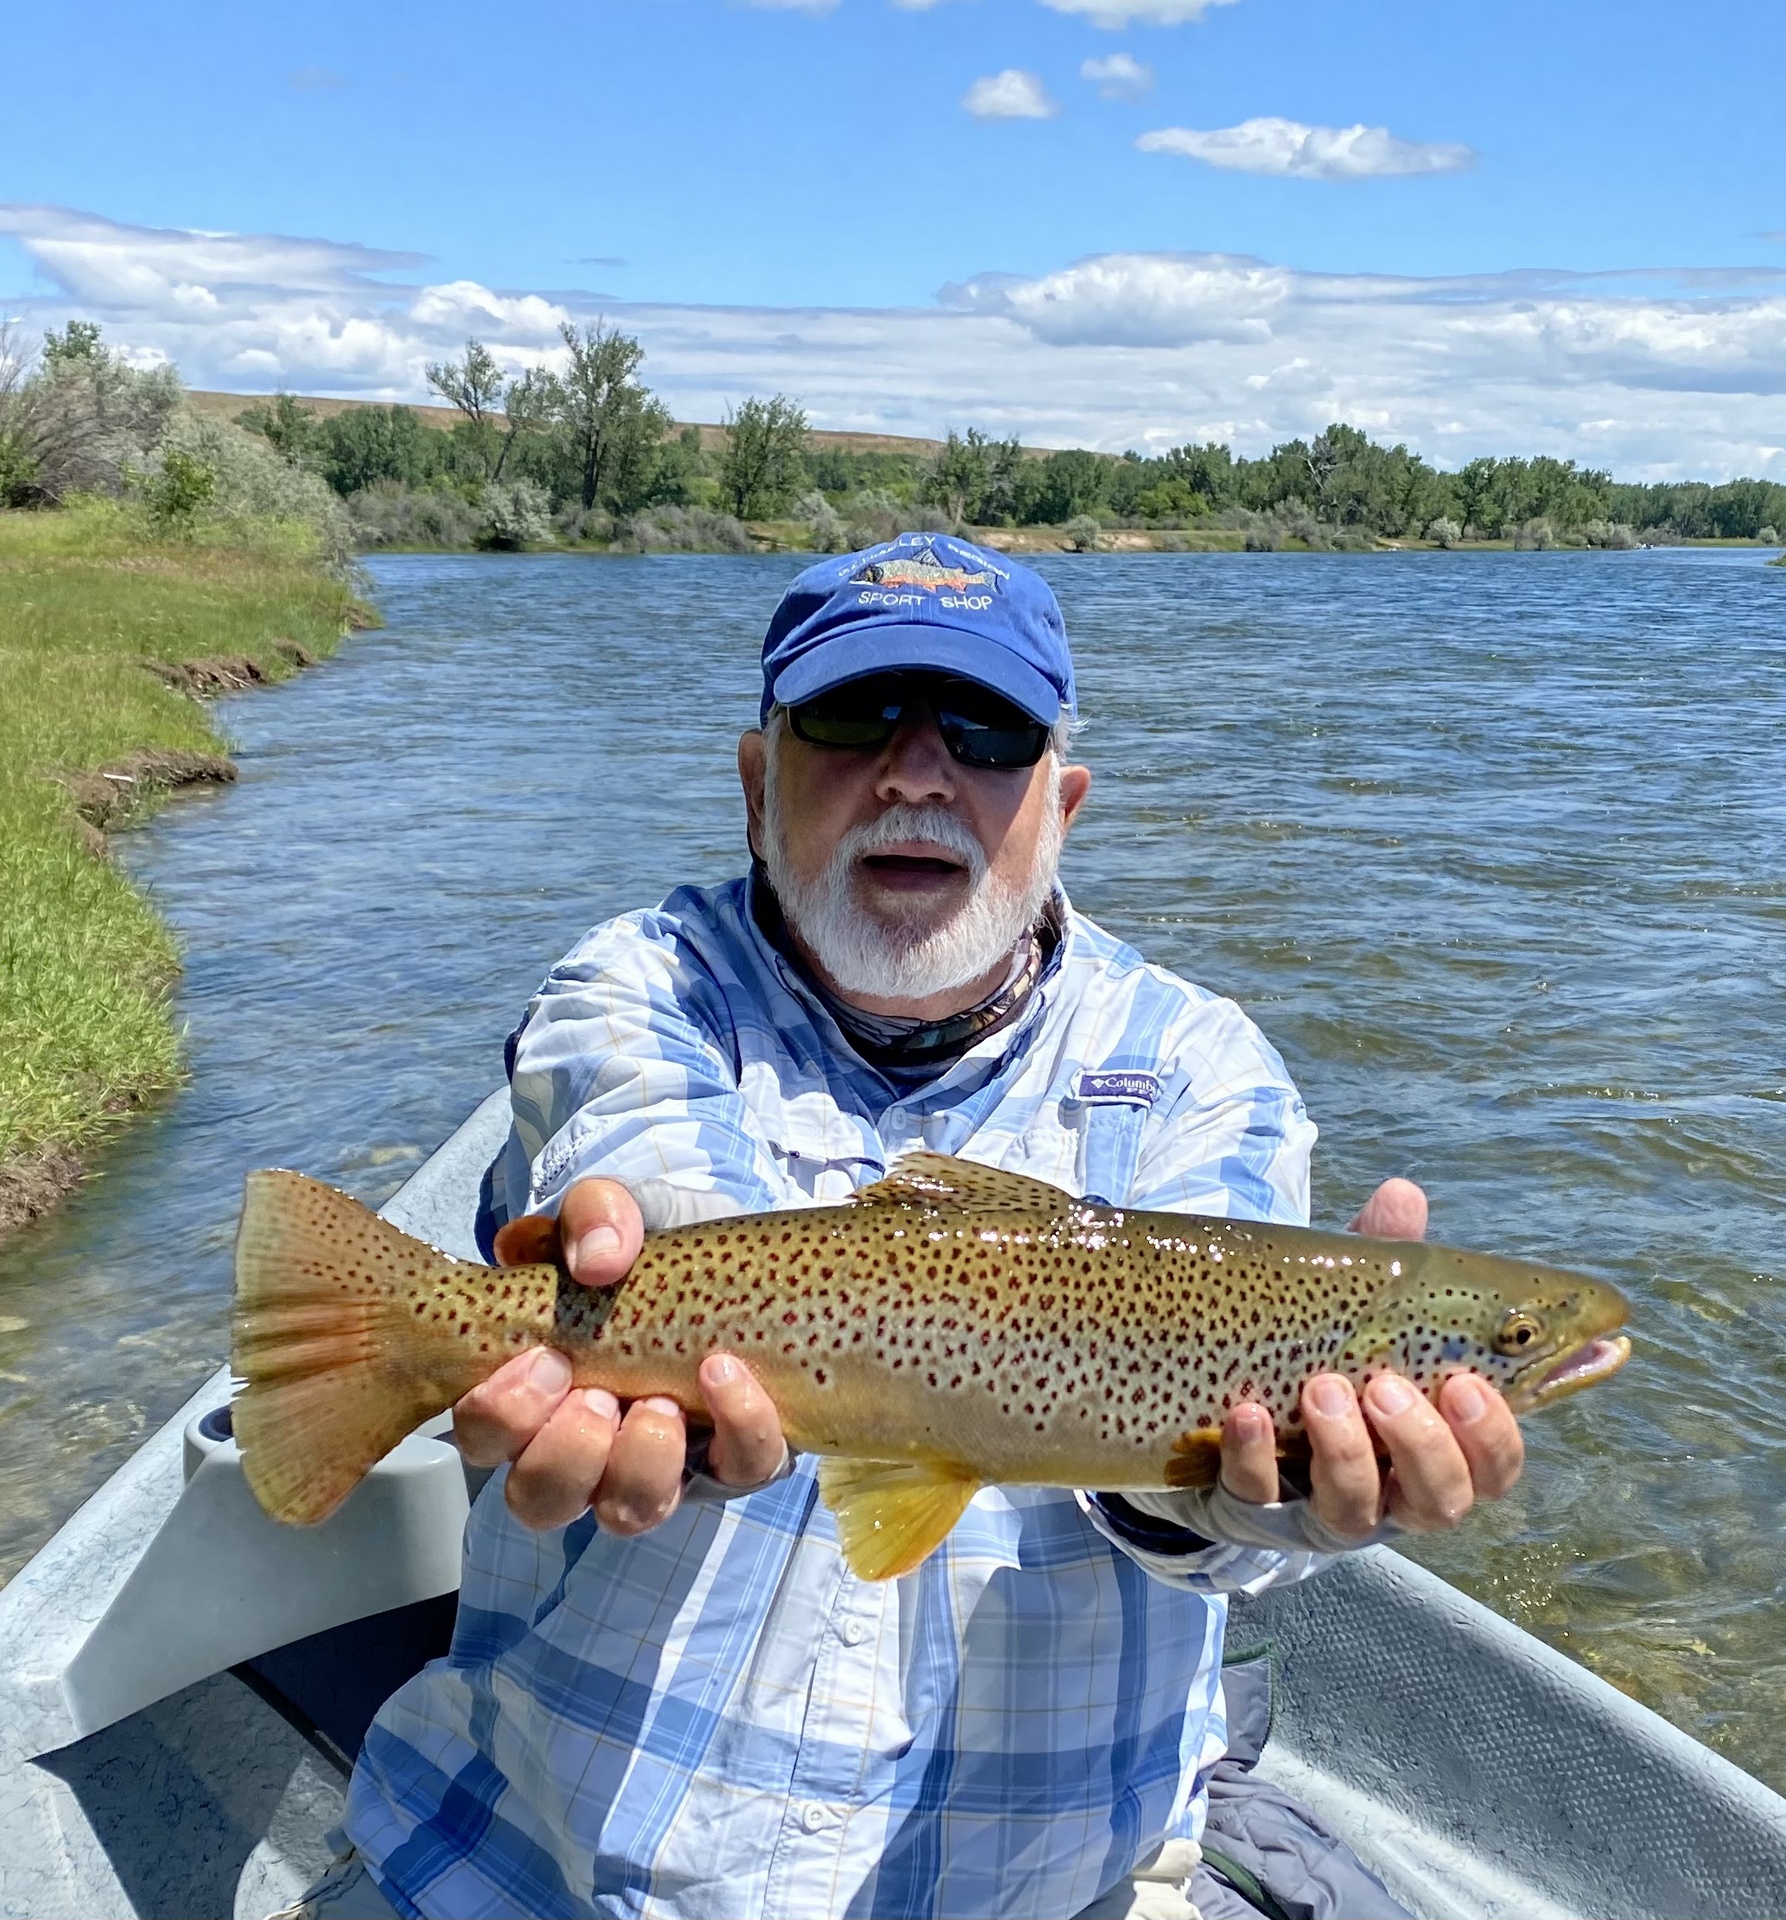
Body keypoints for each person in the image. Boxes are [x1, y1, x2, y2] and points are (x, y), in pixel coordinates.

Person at [291, 533, 1524, 1920]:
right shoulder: (640, 982)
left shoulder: (1199, 1066)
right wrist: (672, 1349)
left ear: (1061, 802)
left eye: (986, 732)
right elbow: (651, 1171)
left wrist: (1252, 1500)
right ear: (757, 780)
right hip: (531, 1877)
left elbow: (1212, 1501)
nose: (917, 771)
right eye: (851, 715)